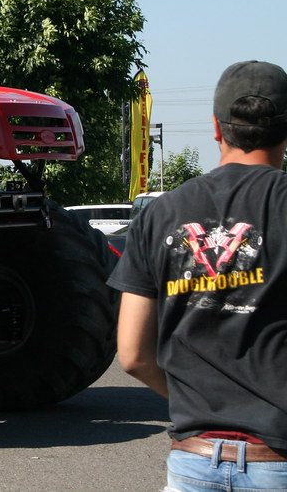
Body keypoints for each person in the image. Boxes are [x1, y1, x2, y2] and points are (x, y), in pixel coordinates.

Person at [109, 60, 287, 491]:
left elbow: (132, 354)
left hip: (194, 461)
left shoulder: (161, 213)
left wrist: (198, 400)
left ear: (216, 127)